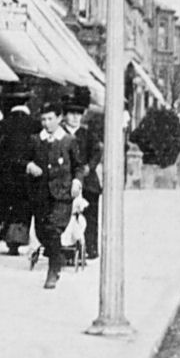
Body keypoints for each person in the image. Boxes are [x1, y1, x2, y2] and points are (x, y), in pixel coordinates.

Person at [26, 100, 85, 289]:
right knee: (42, 232)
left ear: (59, 119)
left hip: (62, 195)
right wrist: (28, 165)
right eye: (43, 119)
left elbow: (79, 166)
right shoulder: (36, 140)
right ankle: (57, 255)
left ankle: (53, 271)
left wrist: (77, 181)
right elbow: (22, 160)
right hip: (40, 194)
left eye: (50, 118)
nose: (46, 123)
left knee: (53, 230)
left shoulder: (68, 141)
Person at [0, 101, 39, 254]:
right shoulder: (35, 125)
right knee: (23, 209)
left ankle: (11, 241)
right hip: (27, 175)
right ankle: (17, 239)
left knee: (8, 208)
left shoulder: (1, 125)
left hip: (6, 176)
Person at [63, 101, 103, 260]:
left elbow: (96, 152)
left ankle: (91, 247)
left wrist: (89, 167)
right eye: (71, 114)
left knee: (90, 214)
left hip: (87, 181)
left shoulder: (87, 134)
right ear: (65, 116)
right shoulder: (61, 133)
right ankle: (66, 247)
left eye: (78, 114)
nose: (74, 117)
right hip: (67, 180)